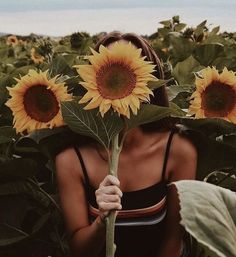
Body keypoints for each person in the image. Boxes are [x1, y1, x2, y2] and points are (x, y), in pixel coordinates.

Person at [55, 31, 197, 257]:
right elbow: (79, 250)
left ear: (149, 80)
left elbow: (174, 240)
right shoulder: (71, 161)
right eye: (108, 68)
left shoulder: (178, 150)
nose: (116, 77)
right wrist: (102, 220)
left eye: (131, 66)